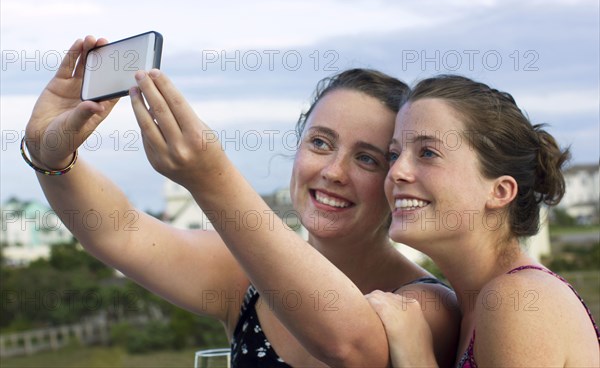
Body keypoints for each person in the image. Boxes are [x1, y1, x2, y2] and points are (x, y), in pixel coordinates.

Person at [24, 36, 460, 367]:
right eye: (321, 143)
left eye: (366, 157)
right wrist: (52, 156)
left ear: (398, 176)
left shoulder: (429, 305)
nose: (333, 172)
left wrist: (210, 178)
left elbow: (349, 345)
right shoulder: (242, 275)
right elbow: (118, 229)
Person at [366, 75, 600, 367]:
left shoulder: (519, 301)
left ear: (499, 191)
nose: (396, 172)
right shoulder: (473, 308)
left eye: (427, 152)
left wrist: (417, 357)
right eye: (394, 154)